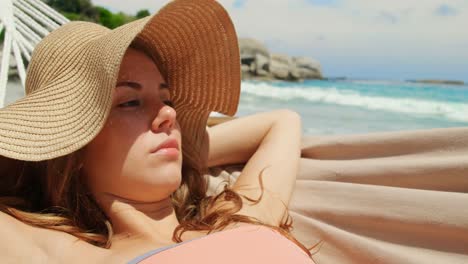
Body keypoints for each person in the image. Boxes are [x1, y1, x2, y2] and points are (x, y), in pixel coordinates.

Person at [0, 0, 316, 262]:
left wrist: (187, 152)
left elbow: (283, 122)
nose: (168, 113)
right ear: (74, 150)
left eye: (166, 99)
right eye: (131, 102)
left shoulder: (240, 217)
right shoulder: (63, 254)